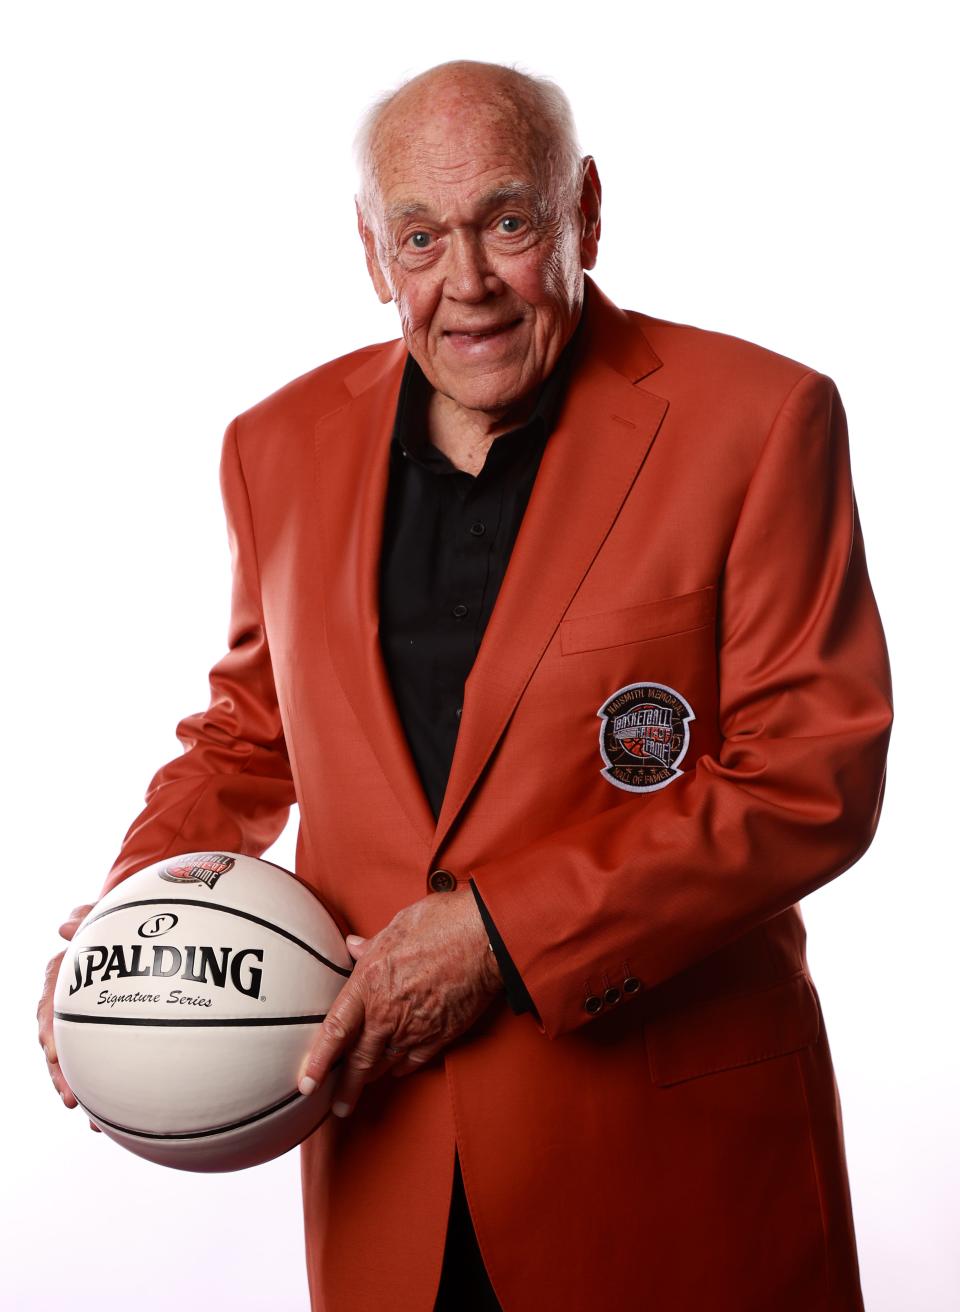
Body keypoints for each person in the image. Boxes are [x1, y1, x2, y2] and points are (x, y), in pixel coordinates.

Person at [38, 59, 893, 1312]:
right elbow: (247, 733)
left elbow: (811, 776)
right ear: (374, 254)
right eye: (422, 238)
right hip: (387, 1170)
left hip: (669, 1179)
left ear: (584, 211)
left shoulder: (762, 421)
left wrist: (500, 936)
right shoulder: (273, 447)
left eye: (508, 221)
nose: (468, 284)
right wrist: (131, 933)